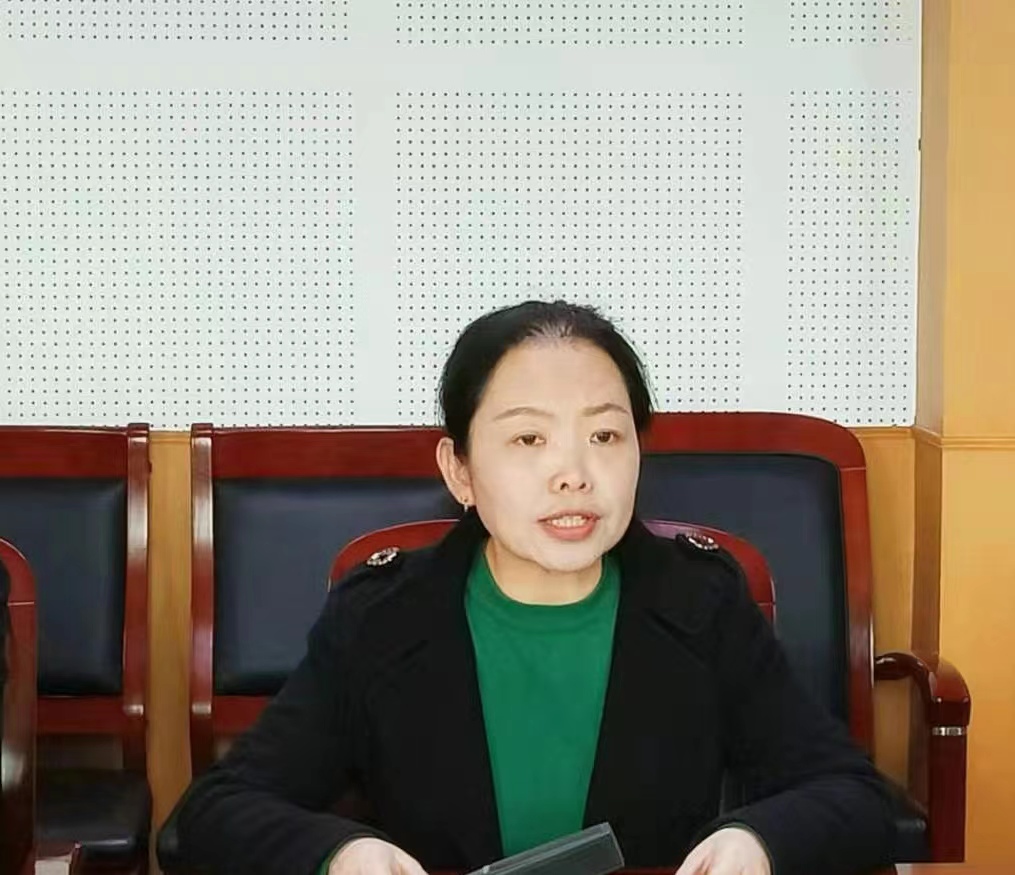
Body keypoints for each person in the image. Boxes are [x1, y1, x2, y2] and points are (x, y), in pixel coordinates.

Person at [163, 300, 895, 875]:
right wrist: (340, 853)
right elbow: (213, 813)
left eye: (604, 436)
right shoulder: (381, 617)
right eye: (527, 439)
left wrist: (759, 838)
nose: (572, 473)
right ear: (458, 470)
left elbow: (853, 794)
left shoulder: (703, 605)